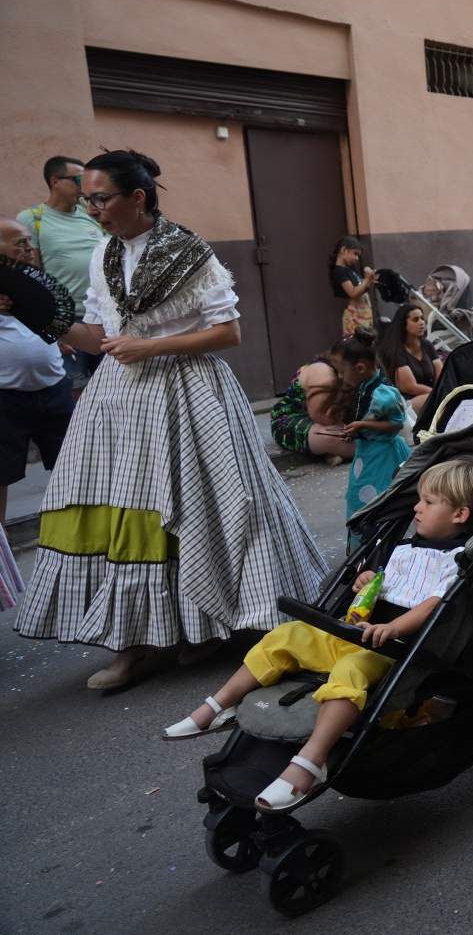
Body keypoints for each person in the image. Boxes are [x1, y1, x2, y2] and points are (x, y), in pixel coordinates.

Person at [13, 149, 325, 690]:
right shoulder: (103, 254)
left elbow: (229, 332)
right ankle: (143, 641)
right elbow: (98, 334)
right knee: (125, 512)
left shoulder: (188, 250)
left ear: (137, 197)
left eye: (102, 198)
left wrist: (151, 347)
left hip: (187, 390)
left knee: (205, 506)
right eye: (88, 199)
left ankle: (204, 627)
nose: (93, 209)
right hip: (119, 397)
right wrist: (43, 317)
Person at [162, 459, 473, 811]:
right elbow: (386, 585)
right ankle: (219, 706)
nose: (417, 507)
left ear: (460, 515)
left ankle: (312, 759)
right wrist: (368, 582)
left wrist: (393, 628)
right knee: (288, 634)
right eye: (419, 499)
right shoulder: (405, 547)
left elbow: (433, 605)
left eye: (429, 503)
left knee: (349, 674)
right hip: (355, 629)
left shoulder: (458, 560)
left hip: (393, 646)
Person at [0, 219, 74, 523]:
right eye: (20, 243)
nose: (29, 249)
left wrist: (60, 341)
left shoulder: (40, 282)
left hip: (54, 389)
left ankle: (76, 541)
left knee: (72, 467)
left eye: (29, 242)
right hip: (6, 398)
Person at [18, 155, 105, 386]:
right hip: (68, 320)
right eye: (78, 179)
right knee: (75, 391)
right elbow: (31, 277)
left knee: (110, 391)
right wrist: (54, 330)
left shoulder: (93, 216)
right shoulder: (32, 219)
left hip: (103, 317)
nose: (84, 186)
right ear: (55, 181)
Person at [342, 330, 411, 522]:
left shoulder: (383, 394)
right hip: (365, 453)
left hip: (382, 456)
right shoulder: (363, 387)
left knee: (375, 499)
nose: (341, 375)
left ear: (360, 368)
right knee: (358, 497)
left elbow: (396, 424)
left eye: (343, 370)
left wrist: (362, 424)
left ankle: (377, 544)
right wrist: (355, 432)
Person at [268, 343, 356, 464]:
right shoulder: (323, 374)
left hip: (335, 419)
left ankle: (337, 452)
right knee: (334, 436)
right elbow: (322, 416)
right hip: (293, 419)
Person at [378, 302, 442, 415]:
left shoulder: (427, 345)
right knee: (435, 400)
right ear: (403, 324)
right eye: (415, 319)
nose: (422, 322)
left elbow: (441, 374)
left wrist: (442, 391)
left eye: (422, 318)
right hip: (406, 402)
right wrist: (438, 393)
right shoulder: (396, 350)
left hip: (432, 396)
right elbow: (410, 387)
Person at [328, 235, 376, 338]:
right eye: (355, 254)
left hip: (364, 315)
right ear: (344, 250)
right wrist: (366, 279)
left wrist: (370, 280)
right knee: (356, 348)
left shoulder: (350, 270)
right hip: (355, 317)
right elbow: (353, 293)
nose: (357, 258)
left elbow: (360, 289)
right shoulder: (339, 271)